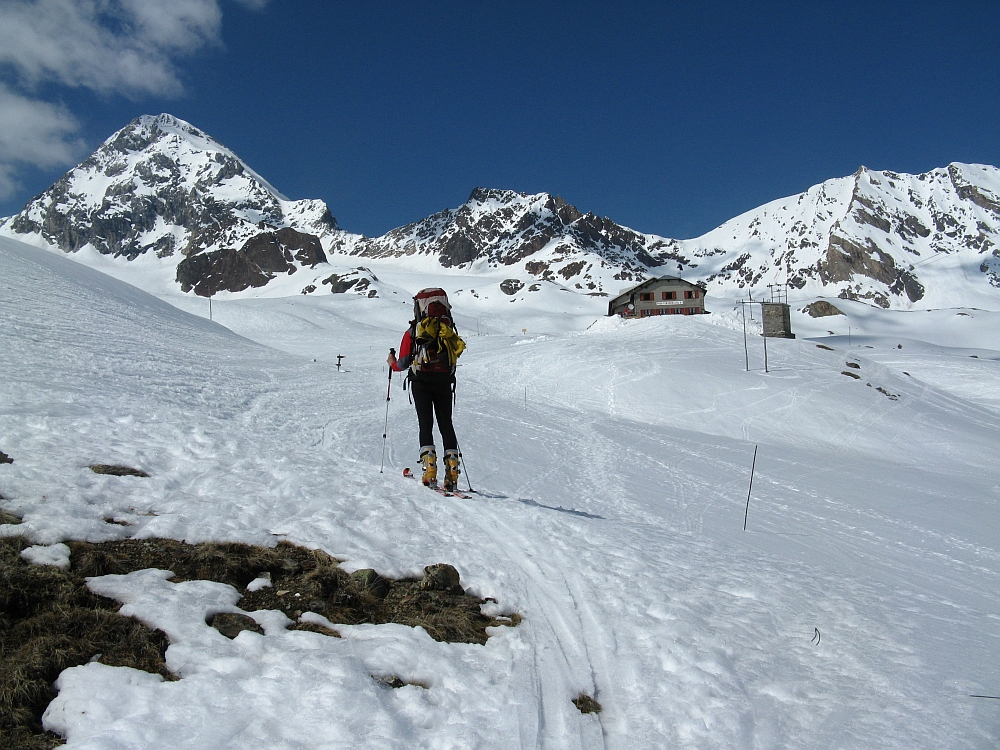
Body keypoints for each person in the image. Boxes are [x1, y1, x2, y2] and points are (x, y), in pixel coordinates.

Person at [387, 288, 466, 490]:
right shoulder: (447, 328)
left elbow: (404, 362)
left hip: (420, 381)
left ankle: (429, 470)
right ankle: (453, 472)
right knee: (446, 424)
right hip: (444, 380)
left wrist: (392, 364)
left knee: (426, 424)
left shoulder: (414, 330)